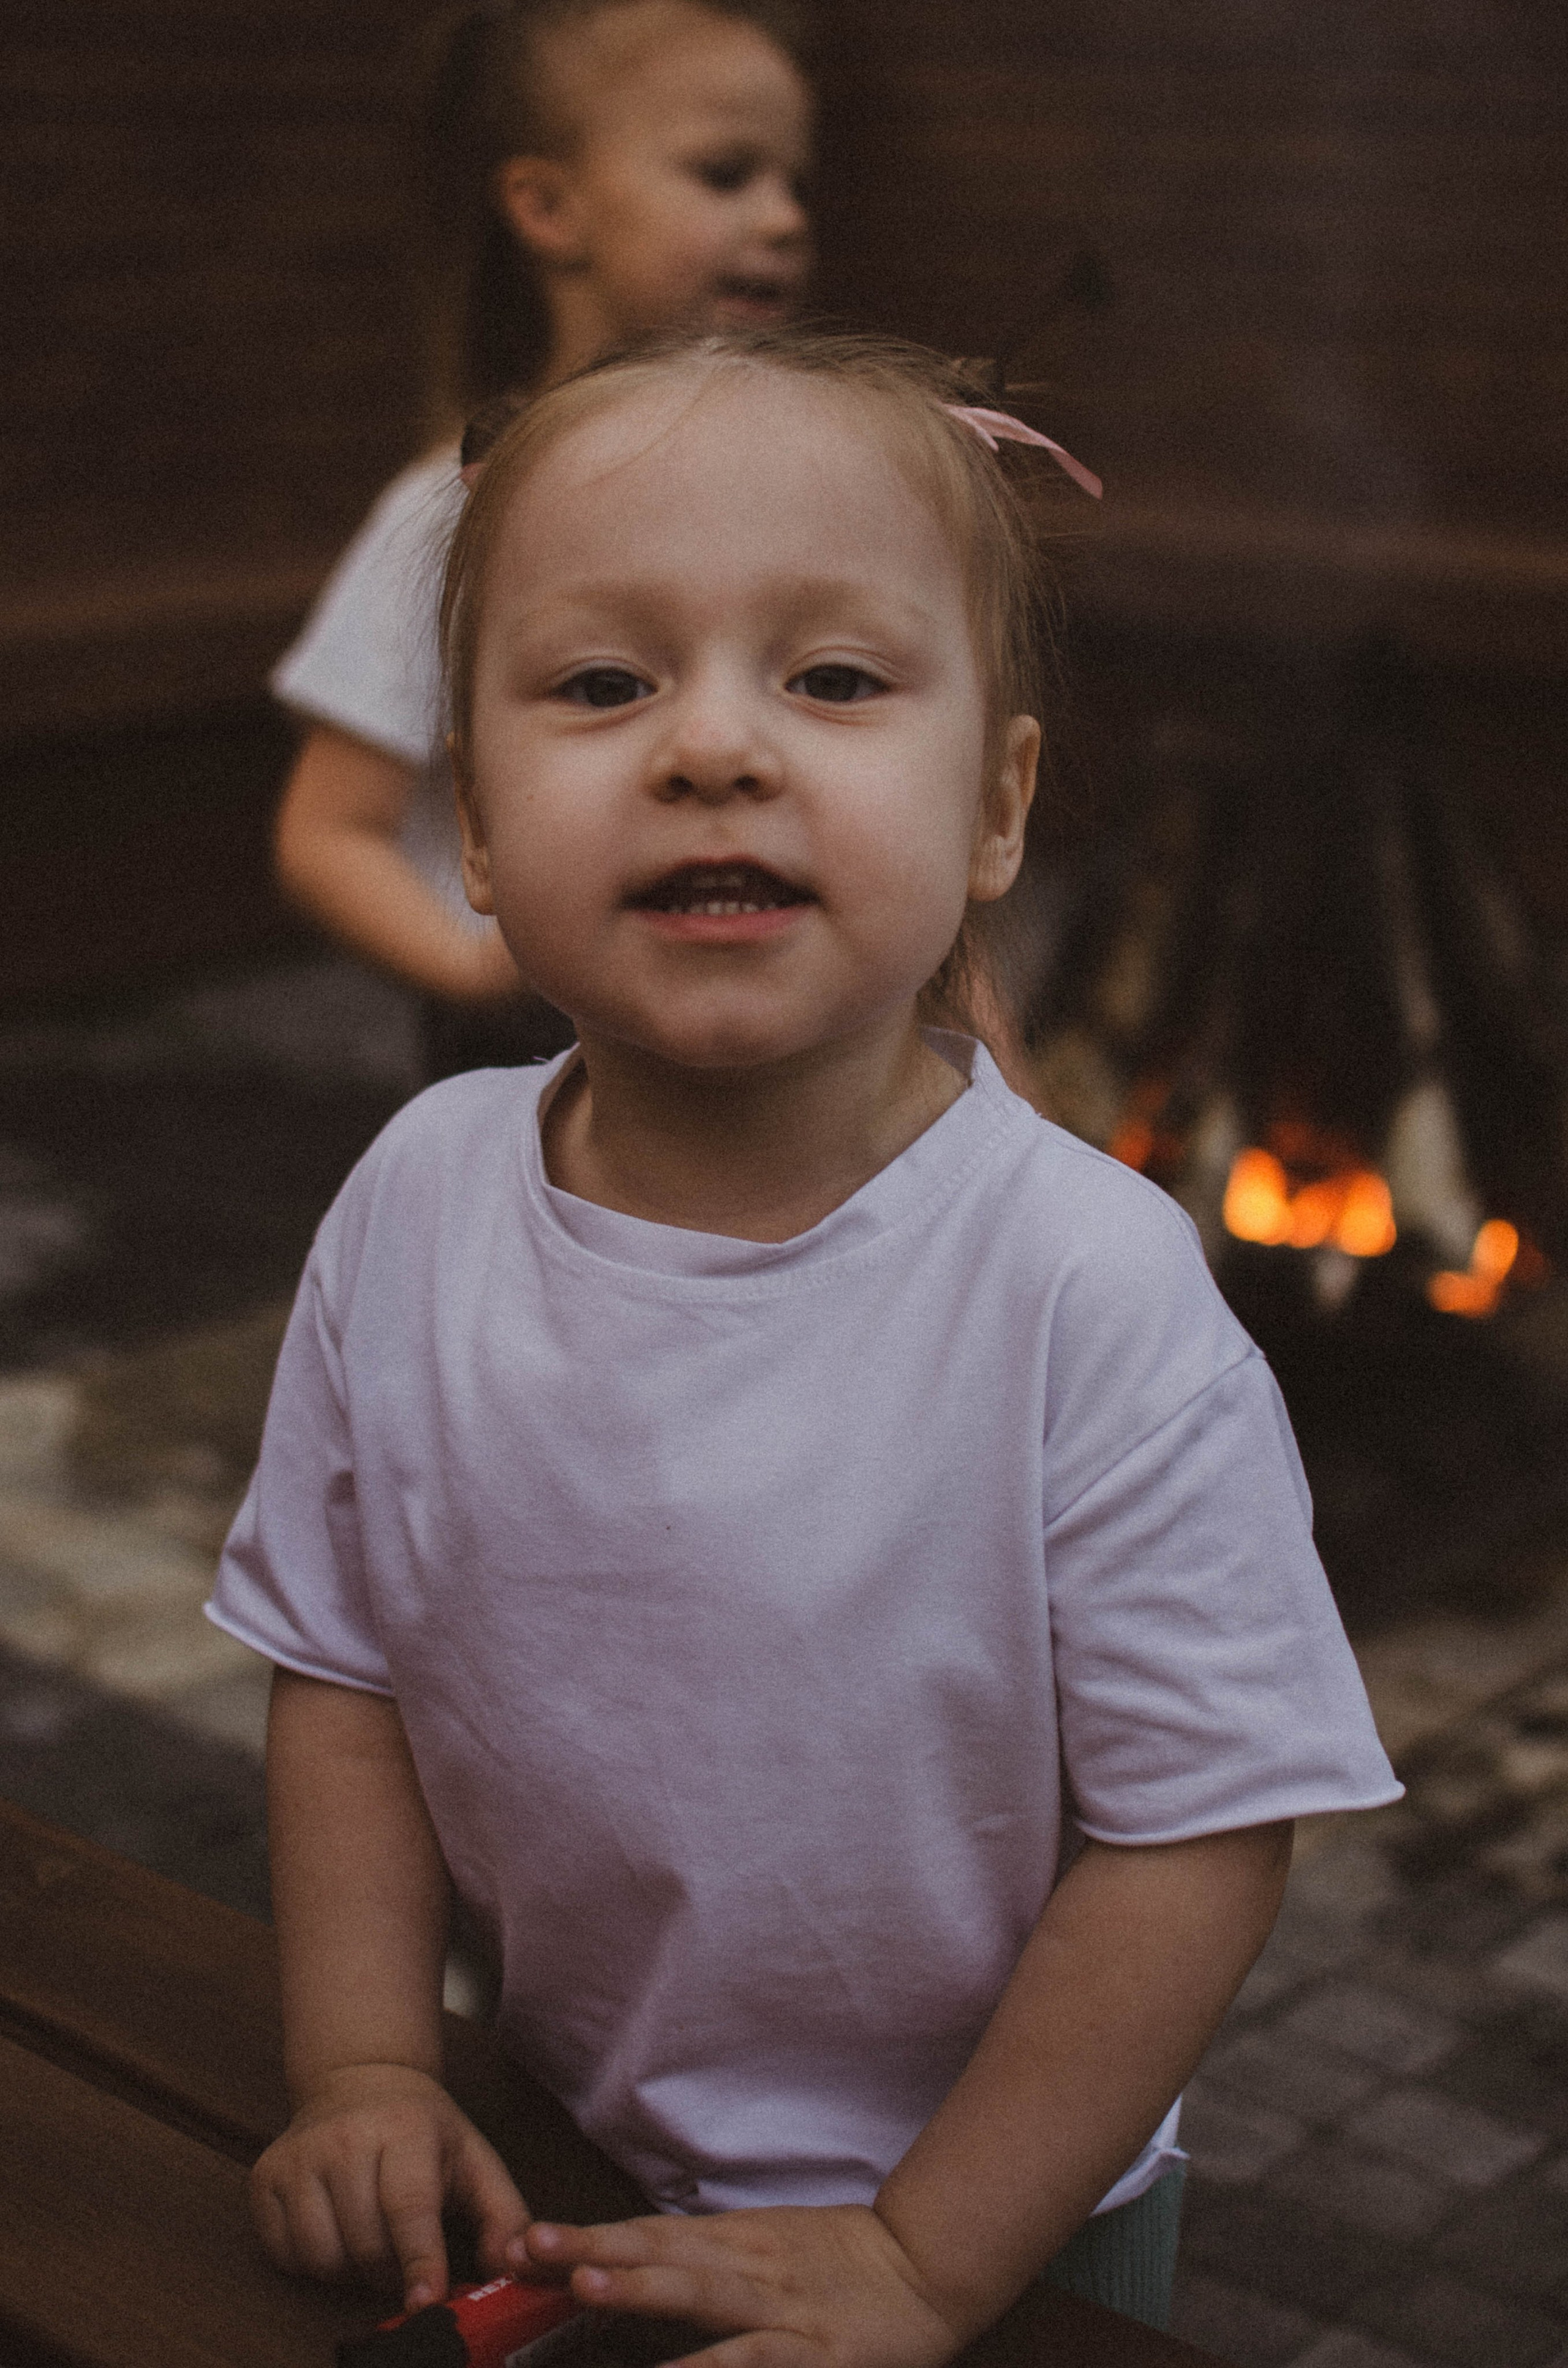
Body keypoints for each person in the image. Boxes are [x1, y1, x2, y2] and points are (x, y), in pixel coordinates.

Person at [208, 330, 1400, 2361]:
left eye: (834, 679)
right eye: (604, 683)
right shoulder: (416, 1200)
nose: (713, 747)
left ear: (997, 807)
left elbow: (1201, 1830)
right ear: (476, 826)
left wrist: (927, 2257)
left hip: (1005, 2223)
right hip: (556, 2146)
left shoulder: (1083, 1286)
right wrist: (369, 2064)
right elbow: (344, 1670)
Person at [270, 0, 813, 1076]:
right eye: (726, 174)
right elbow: (327, 833)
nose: (786, 217)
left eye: (798, 183)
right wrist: (483, 973)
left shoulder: (788, 494)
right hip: (536, 1057)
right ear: (550, 208)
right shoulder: (456, 513)